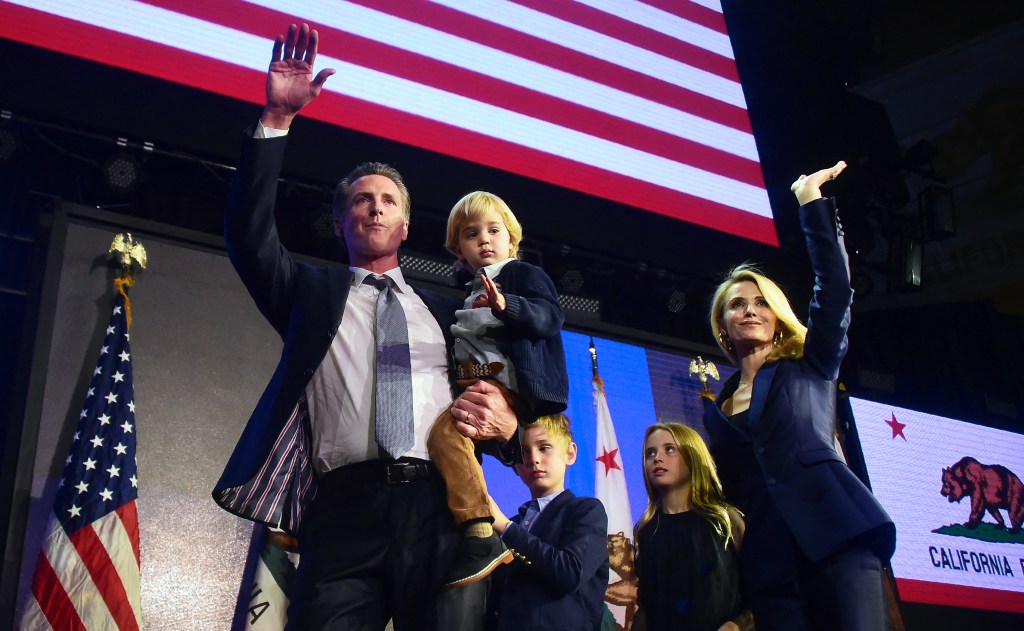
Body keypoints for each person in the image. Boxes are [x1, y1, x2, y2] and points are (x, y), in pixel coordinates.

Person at [211, 24, 521, 631]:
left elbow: (498, 382)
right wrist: (277, 118)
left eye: (387, 201)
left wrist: (507, 426)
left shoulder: (449, 310)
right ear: (340, 222)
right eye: (360, 199)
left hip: (439, 506)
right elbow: (249, 237)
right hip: (342, 509)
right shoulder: (310, 293)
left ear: (405, 227)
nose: (374, 206)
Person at [702, 161, 896, 631]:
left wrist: (811, 202)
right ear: (723, 327)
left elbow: (836, 289)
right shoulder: (717, 411)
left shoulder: (810, 364)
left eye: (761, 301)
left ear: (777, 315)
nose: (750, 309)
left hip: (837, 538)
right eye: (737, 304)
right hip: (772, 567)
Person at [429, 190, 569, 589]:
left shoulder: (521, 276)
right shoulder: (470, 291)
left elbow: (549, 317)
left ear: (512, 239)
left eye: (494, 230)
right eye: (472, 234)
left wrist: (508, 305)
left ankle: (479, 532)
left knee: (446, 434)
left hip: (508, 383)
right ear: (459, 250)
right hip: (478, 377)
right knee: (445, 435)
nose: (485, 239)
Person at [486, 414, 609, 631]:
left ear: (569, 453)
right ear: (515, 465)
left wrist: (506, 528)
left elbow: (570, 573)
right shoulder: (516, 522)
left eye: (544, 448)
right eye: (524, 452)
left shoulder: (586, 511)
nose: (533, 459)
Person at [634, 423, 752, 631]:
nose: (657, 458)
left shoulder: (725, 520)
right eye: (650, 453)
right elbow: (646, 607)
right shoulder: (645, 532)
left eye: (669, 449)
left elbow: (760, 590)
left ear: (693, 455)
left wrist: (737, 625)